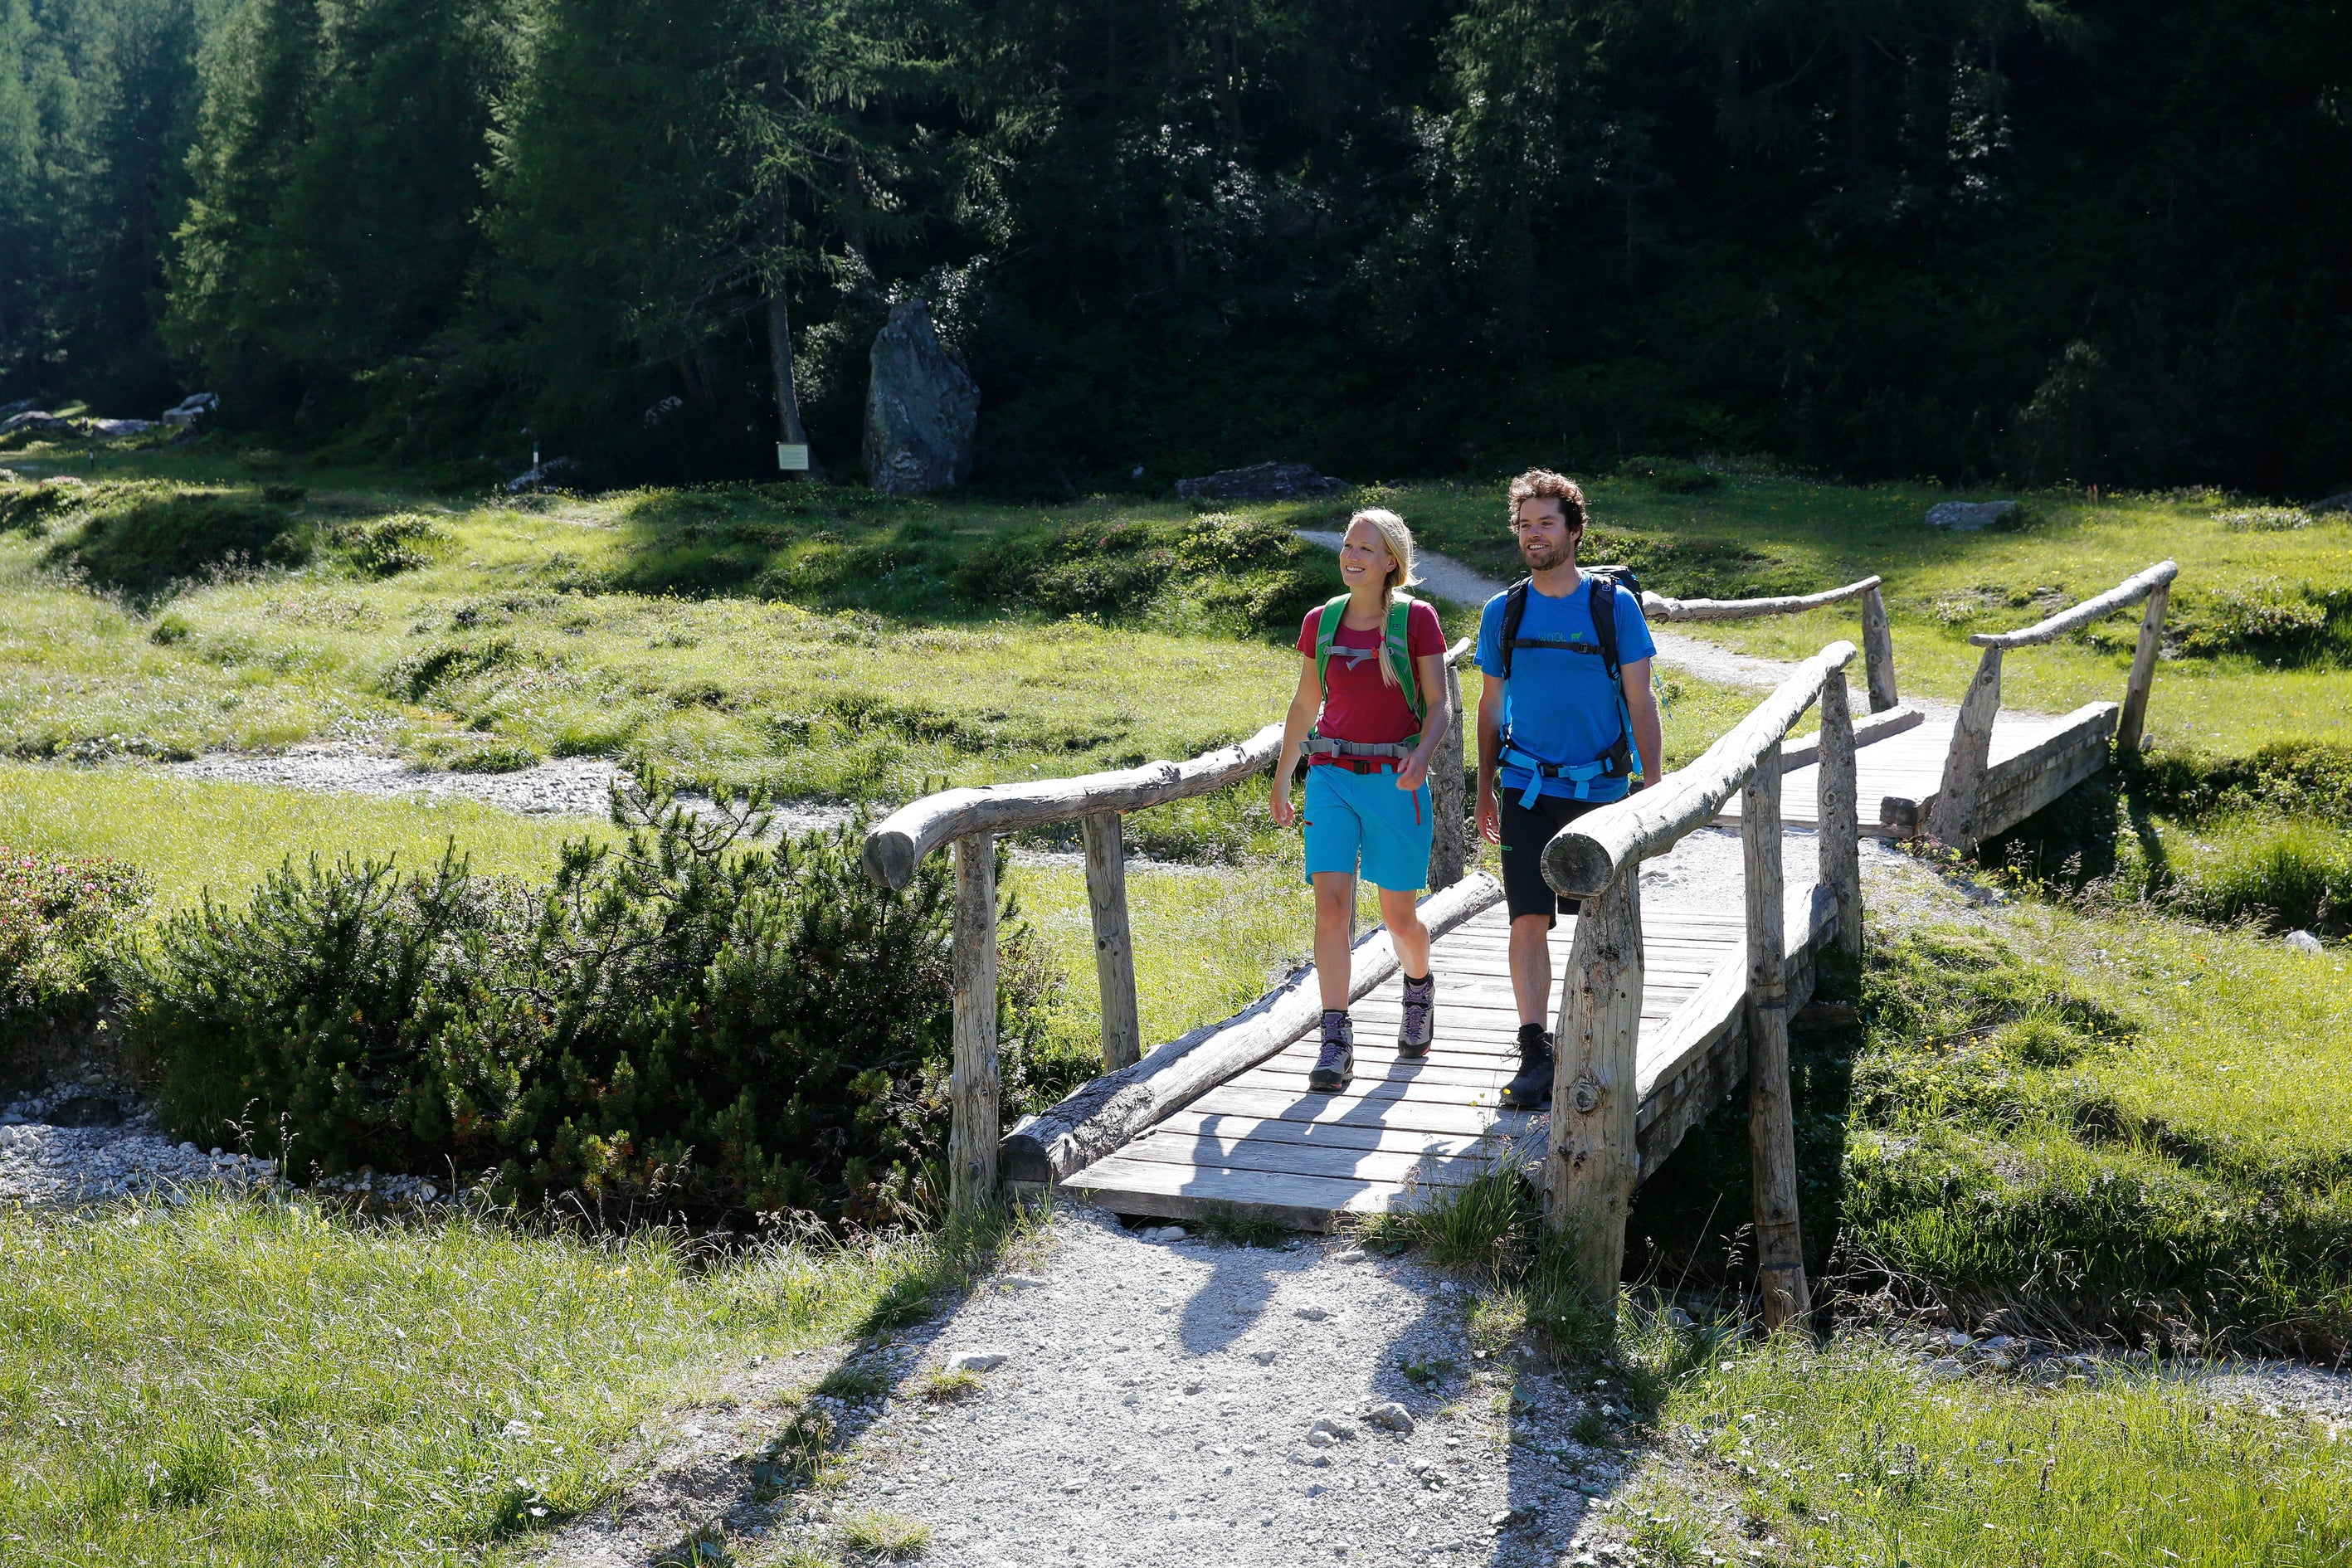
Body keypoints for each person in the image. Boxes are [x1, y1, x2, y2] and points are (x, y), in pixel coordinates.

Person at [1474, 470, 1663, 1108]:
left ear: (1574, 531)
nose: (1533, 535)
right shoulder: (1504, 612)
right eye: (1524, 525)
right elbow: (1488, 705)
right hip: (1525, 788)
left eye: (1545, 523)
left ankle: (1596, 1043)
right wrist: (1483, 788)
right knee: (1527, 919)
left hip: (1602, 790)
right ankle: (1535, 1052)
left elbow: (1641, 701)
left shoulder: (1613, 607)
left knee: (1597, 925)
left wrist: (1654, 790)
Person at [1270, 508, 1454, 1092]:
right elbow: (1304, 705)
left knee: (1399, 918)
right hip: (1329, 773)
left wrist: (1422, 753)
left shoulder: (1416, 620)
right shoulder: (1320, 622)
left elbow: (1439, 704)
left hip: (1394, 778)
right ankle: (1334, 1035)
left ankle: (1418, 988)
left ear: (1391, 563)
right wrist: (1282, 778)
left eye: (1366, 550)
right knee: (1332, 906)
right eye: (1348, 546)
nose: (1351, 556)